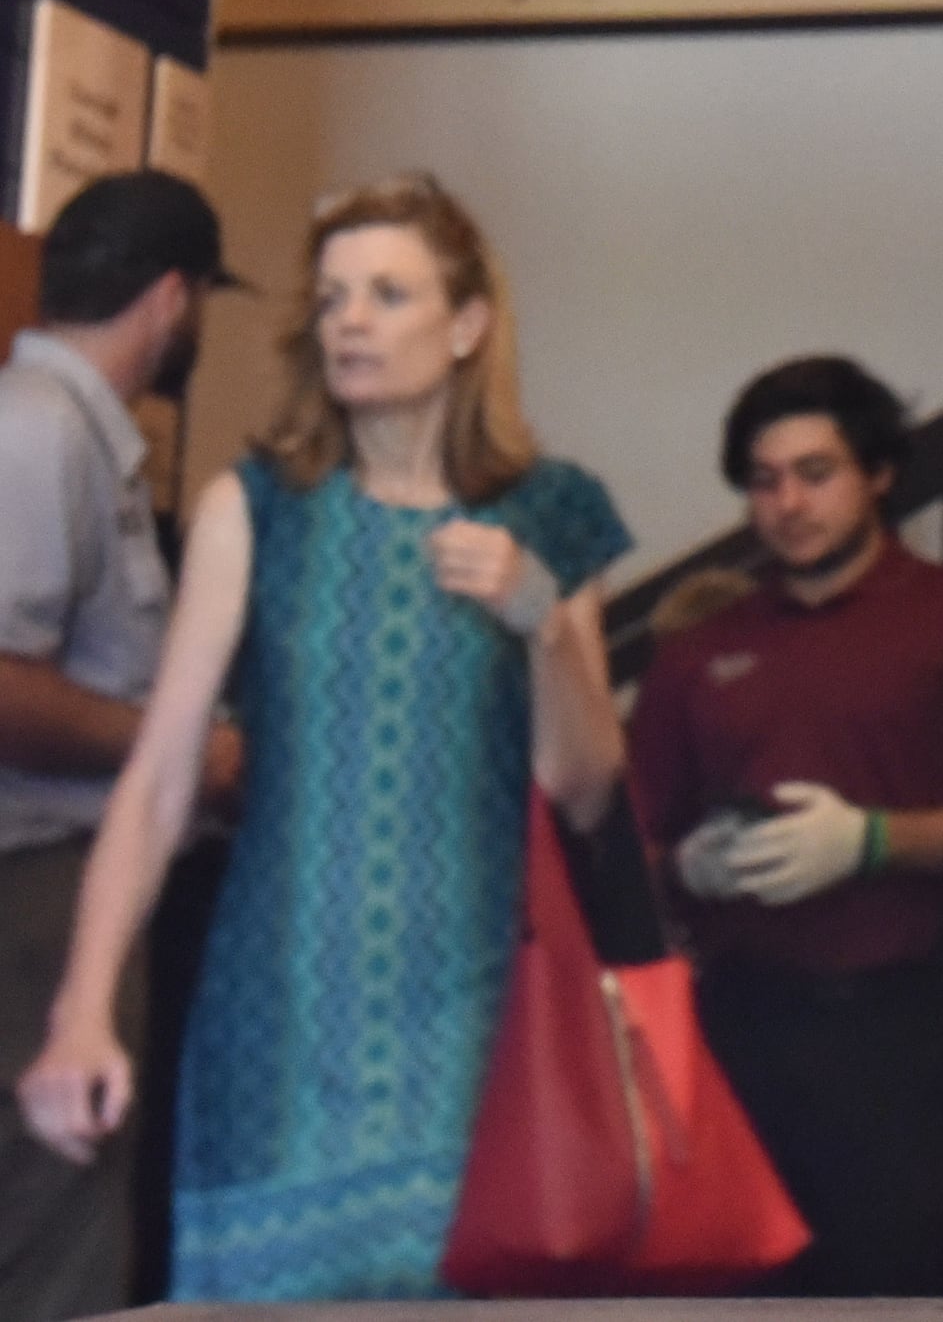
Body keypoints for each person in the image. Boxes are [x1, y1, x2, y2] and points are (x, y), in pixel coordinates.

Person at [14, 174, 629, 1298]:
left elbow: (584, 784)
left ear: (466, 324)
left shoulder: (549, 511)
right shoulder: (256, 507)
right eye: (335, 294)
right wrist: (81, 1008)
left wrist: (541, 615)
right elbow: (157, 782)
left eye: (389, 292)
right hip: (277, 1007)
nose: (350, 318)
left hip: (473, 1012)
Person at [628, 356, 943, 1295]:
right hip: (738, 1028)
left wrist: (875, 841)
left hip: (902, 1030)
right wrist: (688, 869)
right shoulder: (702, 650)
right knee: (740, 1292)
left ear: (879, 474)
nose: (788, 503)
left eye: (816, 473)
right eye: (764, 481)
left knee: (896, 1287)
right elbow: (637, 846)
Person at [0, 175, 239, 1322]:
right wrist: (184, 745)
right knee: (54, 1221)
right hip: (36, 883)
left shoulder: (83, 435)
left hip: (60, 882)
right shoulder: (40, 430)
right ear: (172, 297)